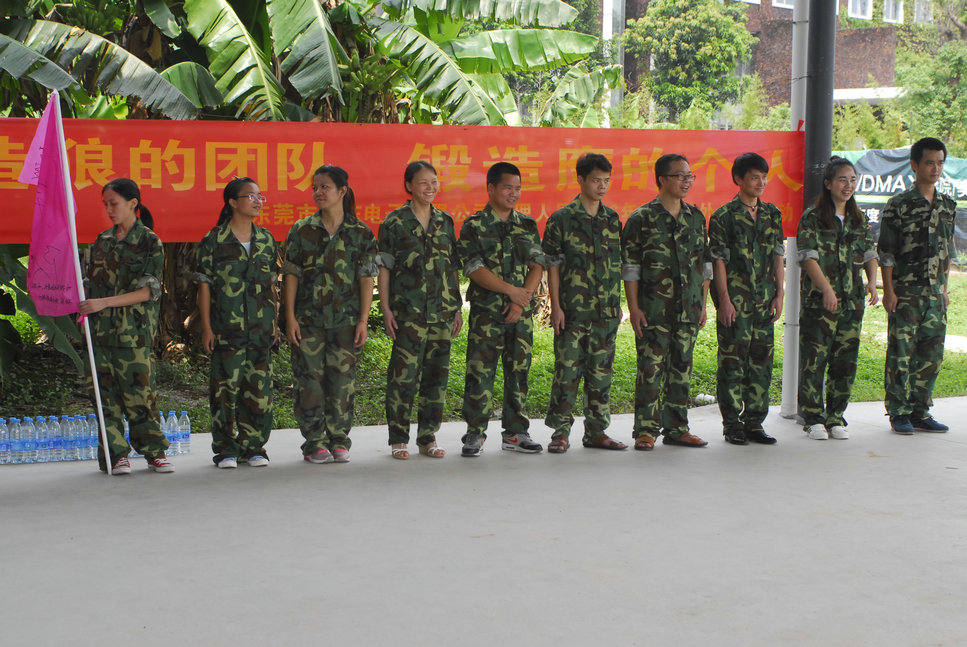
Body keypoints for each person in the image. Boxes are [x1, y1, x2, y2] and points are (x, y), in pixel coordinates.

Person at [283, 165, 377, 464]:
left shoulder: (360, 233)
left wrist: (363, 320)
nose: (318, 192)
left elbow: (366, 278)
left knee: (342, 384)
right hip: (308, 321)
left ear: (342, 191)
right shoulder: (302, 230)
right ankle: (314, 442)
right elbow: (291, 275)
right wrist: (289, 317)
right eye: (315, 187)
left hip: (346, 322)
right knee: (309, 382)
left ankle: (338, 439)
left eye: (325, 187)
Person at [79, 178, 172, 474]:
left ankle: (153, 451)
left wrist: (103, 303)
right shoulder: (102, 241)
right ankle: (115, 454)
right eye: (105, 204)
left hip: (133, 334)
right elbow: (92, 284)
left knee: (140, 394)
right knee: (104, 397)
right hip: (100, 333)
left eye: (114, 203)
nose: (109, 209)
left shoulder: (150, 242)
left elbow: (147, 292)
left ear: (133, 203)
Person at [621, 153, 711, 451]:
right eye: (679, 176)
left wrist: (702, 304)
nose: (686, 181)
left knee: (681, 369)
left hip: (689, 308)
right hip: (653, 309)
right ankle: (645, 430)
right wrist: (634, 308)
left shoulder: (695, 217)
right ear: (662, 179)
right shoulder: (642, 218)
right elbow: (630, 268)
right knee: (650, 369)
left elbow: (704, 265)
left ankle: (677, 428)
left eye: (689, 176)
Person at [457, 162, 545, 457]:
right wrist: (512, 292)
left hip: (521, 314)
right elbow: (474, 268)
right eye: (508, 187)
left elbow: (537, 264)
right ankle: (475, 432)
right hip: (487, 313)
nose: (514, 193)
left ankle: (516, 432)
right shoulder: (474, 225)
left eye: (518, 188)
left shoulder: (527, 224)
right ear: (491, 188)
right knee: (480, 372)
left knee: (519, 371)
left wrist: (521, 301)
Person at [377, 161, 463, 460]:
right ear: (409, 186)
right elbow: (385, 268)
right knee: (403, 378)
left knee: (436, 378)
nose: (430, 187)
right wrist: (386, 308)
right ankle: (398, 439)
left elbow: (452, 267)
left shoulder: (445, 221)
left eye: (434, 181)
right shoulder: (394, 222)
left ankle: (428, 437)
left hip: (442, 312)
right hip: (408, 313)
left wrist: (457, 307)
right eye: (424, 182)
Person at [542, 153, 626, 453]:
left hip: (606, 311)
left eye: (606, 181)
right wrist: (556, 306)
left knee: (601, 374)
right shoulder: (561, 219)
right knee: (567, 372)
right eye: (595, 180)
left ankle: (597, 431)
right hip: (573, 312)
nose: (602, 186)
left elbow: (617, 265)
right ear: (580, 180)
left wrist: (619, 303)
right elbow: (552, 265)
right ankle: (560, 432)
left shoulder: (612, 219)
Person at [195, 177, 279, 469]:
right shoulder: (214, 240)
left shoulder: (266, 239)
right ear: (232, 202)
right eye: (250, 196)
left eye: (260, 196)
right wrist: (207, 327)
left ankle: (254, 447)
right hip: (226, 329)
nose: (257, 201)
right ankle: (226, 449)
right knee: (225, 391)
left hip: (260, 329)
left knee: (259, 391)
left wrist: (274, 323)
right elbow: (204, 286)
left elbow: (271, 286)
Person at [796, 157, 878, 440]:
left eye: (853, 180)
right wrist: (827, 290)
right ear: (828, 183)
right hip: (819, 303)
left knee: (845, 362)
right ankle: (813, 418)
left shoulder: (858, 218)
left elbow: (869, 252)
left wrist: (872, 283)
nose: (848, 185)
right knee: (814, 360)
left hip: (852, 302)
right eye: (842, 180)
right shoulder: (813, 217)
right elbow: (808, 257)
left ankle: (835, 417)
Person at [878, 137, 956, 435]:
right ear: (914, 165)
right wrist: (889, 291)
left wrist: (944, 290)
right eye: (929, 163)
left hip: (935, 296)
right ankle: (898, 412)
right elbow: (887, 251)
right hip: (906, 294)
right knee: (900, 354)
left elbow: (946, 251)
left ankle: (920, 411)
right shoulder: (899, 205)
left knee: (930, 356)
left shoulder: (947, 205)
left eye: (940, 163)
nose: (935, 168)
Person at [708, 153, 785, 445]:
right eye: (755, 177)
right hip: (736, 301)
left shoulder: (772, 214)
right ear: (738, 179)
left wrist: (780, 293)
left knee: (761, 362)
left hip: (764, 301)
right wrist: (724, 301)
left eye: (764, 177)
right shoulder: (723, 216)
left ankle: (755, 422)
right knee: (732, 362)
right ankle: (732, 424)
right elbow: (718, 261)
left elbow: (777, 255)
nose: (761, 182)